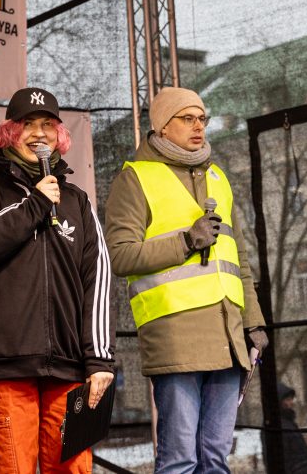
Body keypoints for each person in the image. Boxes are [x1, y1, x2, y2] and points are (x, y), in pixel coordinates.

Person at [104, 86, 268, 473]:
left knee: (215, 458)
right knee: (180, 460)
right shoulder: (135, 179)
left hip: (227, 337)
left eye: (202, 119)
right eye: (187, 118)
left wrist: (254, 321)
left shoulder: (218, 178)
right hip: (175, 335)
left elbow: (238, 259)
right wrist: (186, 241)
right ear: (162, 127)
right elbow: (120, 255)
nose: (199, 127)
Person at [0, 87, 116, 473]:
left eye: (48, 125)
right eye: (27, 124)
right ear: (9, 132)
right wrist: (35, 205)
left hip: (69, 370)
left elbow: (98, 277)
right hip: (2, 367)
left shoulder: (76, 200)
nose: (39, 134)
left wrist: (99, 359)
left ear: (59, 136)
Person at [276, 382, 307, 474]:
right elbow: (281, 460)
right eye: (287, 399)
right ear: (278, 402)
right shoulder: (279, 426)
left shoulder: (288, 422)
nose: (291, 402)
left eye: (291, 399)